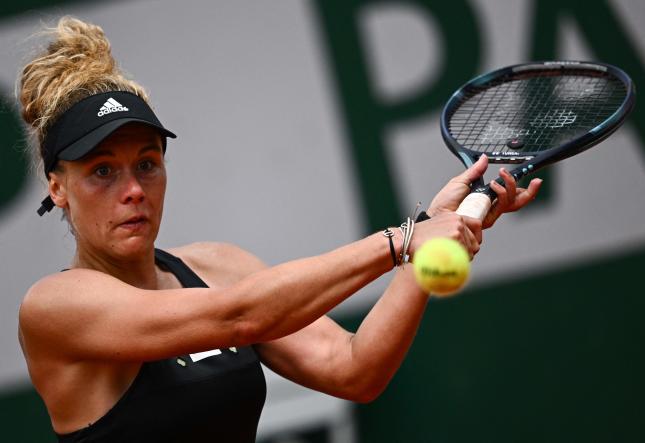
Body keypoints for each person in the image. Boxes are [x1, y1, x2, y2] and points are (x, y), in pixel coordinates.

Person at [16, 17, 542, 443]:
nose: (133, 189)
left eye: (147, 164)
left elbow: (353, 368)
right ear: (58, 188)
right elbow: (239, 317)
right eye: (102, 171)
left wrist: (425, 240)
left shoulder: (217, 266)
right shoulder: (54, 309)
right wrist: (403, 238)